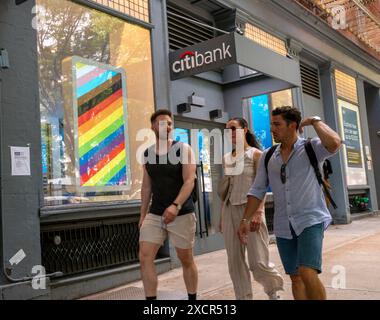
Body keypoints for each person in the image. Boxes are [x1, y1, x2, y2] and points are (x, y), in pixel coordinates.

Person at [238, 106, 342, 300]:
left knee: (307, 271)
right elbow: (257, 190)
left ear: (292, 125)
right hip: (283, 224)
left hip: (310, 219)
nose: (272, 129)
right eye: (271, 124)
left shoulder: (312, 147)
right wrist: (245, 219)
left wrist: (315, 121)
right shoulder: (269, 156)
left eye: (277, 124)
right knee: (295, 277)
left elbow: (335, 143)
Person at [220, 117, 284, 300]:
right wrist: (221, 218)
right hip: (229, 210)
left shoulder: (257, 154)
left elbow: (263, 185)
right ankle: (243, 297)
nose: (230, 133)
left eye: (233, 129)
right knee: (234, 262)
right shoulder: (226, 158)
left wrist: (258, 212)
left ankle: (273, 292)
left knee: (258, 261)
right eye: (227, 130)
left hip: (251, 211)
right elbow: (228, 190)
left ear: (245, 130)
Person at [138, 109, 198, 300]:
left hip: (181, 212)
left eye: (170, 123)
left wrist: (176, 205)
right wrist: (142, 215)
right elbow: (146, 187)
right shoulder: (147, 153)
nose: (167, 126)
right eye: (163, 122)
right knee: (145, 256)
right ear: (153, 127)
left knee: (186, 259)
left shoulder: (183, 149)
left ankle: (192, 300)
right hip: (155, 213)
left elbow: (190, 181)